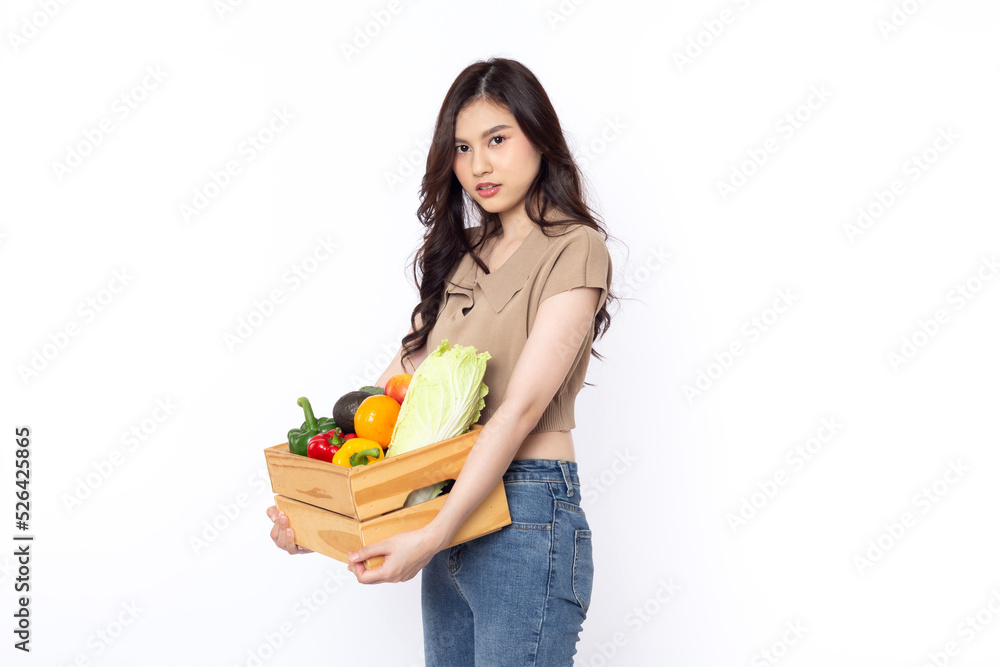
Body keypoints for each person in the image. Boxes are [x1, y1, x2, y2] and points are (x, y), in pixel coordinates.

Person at [266, 56, 619, 666]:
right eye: (462, 146)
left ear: (540, 137)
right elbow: (390, 395)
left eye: (497, 139)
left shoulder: (574, 248)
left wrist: (430, 538)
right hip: (445, 503)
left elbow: (520, 409)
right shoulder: (464, 257)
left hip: (526, 514)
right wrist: (318, 515)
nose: (478, 164)